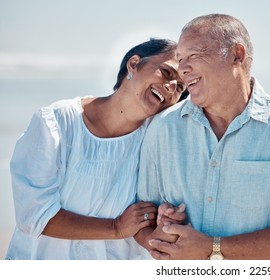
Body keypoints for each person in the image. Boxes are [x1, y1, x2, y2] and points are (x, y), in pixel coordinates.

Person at [136, 14, 270, 260]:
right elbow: (144, 222)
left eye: (193, 56)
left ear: (236, 55)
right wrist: (161, 233)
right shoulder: (163, 128)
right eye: (181, 59)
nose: (182, 69)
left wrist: (213, 248)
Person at [6, 38, 187, 260]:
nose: (171, 88)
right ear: (133, 64)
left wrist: (163, 225)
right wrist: (115, 227)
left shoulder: (157, 141)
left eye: (180, 88)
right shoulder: (58, 122)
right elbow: (34, 215)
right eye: (167, 73)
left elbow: (143, 222)